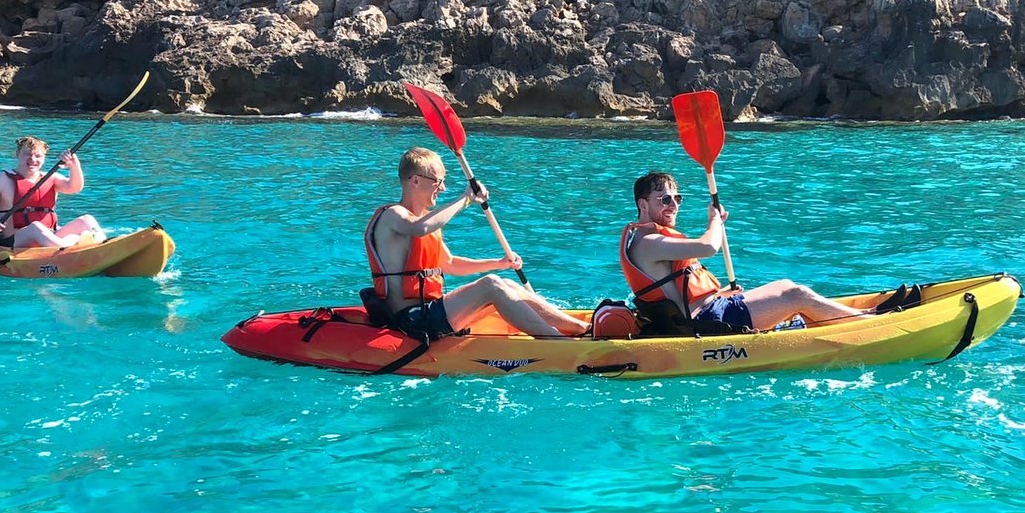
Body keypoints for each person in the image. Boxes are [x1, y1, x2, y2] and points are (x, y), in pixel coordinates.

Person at [363, 148, 589, 340]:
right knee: (491, 285)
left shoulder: (424, 219)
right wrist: (465, 200)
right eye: (438, 181)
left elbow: (450, 264)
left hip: (429, 312)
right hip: (411, 319)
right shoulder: (393, 215)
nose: (443, 188)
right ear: (415, 181)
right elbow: (420, 228)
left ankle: (583, 328)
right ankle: (559, 342)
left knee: (506, 283)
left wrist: (499, 263)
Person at [621, 170, 866, 335]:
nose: (674, 205)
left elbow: (675, 294)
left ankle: (845, 321)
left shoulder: (646, 239)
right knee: (796, 295)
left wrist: (721, 294)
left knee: (786, 285)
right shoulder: (649, 242)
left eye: (677, 198)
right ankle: (867, 324)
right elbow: (708, 247)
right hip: (709, 321)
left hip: (713, 308)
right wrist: (715, 220)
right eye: (665, 199)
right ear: (643, 204)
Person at [0, 136, 105, 249]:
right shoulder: (1, 180)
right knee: (35, 227)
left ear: (44, 158)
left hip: (49, 235)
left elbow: (74, 188)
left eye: (38, 156)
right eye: (27, 154)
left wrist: (74, 166)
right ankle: (70, 244)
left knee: (86, 220)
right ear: (18, 154)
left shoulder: (51, 177)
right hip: (14, 240)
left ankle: (103, 247)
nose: (33, 159)